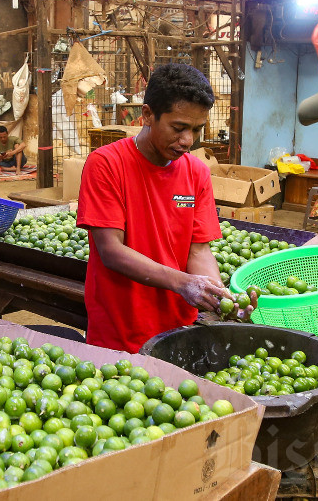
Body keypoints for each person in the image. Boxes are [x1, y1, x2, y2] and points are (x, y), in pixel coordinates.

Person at [76, 64, 250, 353]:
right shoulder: (106, 164)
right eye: (178, 128)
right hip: (119, 334)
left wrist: (219, 296)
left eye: (196, 129)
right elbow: (111, 251)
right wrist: (183, 283)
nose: (188, 141)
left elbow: (198, 250)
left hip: (178, 331)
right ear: (147, 115)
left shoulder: (197, 172)